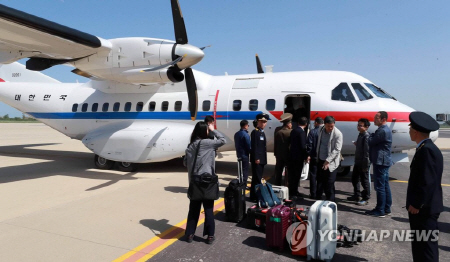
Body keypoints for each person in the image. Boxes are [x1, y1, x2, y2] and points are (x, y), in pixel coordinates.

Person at [407, 111, 443, 262]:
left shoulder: (426, 151)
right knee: (421, 246)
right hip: (424, 208)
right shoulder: (426, 147)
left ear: (415, 132)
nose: (409, 131)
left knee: (426, 247)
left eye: (410, 129)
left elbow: (426, 182)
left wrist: (416, 204)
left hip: (424, 209)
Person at [184, 122, 226, 244]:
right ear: (204, 131)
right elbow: (222, 140)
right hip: (207, 182)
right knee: (208, 209)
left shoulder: (190, 145)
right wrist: (213, 130)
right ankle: (210, 236)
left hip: (194, 182)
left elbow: (186, 163)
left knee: (193, 210)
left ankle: (190, 234)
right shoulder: (207, 143)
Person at [365, 111, 392, 217]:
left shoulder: (382, 131)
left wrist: (370, 136)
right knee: (385, 185)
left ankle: (380, 210)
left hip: (380, 161)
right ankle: (386, 208)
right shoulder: (384, 130)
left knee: (380, 186)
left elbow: (371, 141)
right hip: (383, 161)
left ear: (383, 119)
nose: (374, 120)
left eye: (377, 118)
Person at [315, 116, 343, 201]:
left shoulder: (338, 134)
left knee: (330, 182)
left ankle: (331, 201)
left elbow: (337, 149)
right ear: (324, 124)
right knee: (321, 181)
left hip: (331, 162)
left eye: (332, 126)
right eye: (328, 126)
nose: (330, 128)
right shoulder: (321, 129)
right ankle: (321, 199)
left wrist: (328, 161)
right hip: (321, 159)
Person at [347, 118, 371, 205]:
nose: (358, 127)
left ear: (366, 127)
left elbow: (367, 152)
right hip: (357, 162)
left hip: (363, 163)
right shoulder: (360, 135)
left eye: (361, 126)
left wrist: (365, 165)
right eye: (358, 125)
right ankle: (356, 195)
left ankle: (366, 198)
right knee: (354, 179)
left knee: (364, 181)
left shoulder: (366, 136)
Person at [250, 113, 269, 200]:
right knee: (257, 178)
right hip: (258, 159)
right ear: (257, 122)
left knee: (257, 178)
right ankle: (256, 196)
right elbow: (254, 146)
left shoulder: (262, 132)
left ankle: (254, 195)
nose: (263, 124)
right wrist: (256, 157)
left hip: (262, 159)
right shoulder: (255, 132)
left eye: (265, 122)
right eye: (261, 122)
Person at [288, 116, 308, 198]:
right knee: (296, 176)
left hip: (292, 156)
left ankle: (292, 191)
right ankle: (294, 193)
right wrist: (306, 156)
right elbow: (303, 146)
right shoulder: (302, 132)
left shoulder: (293, 131)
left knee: (292, 176)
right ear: (306, 124)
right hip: (298, 158)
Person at [306, 117, 324, 199]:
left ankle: (313, 193)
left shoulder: (312, 132)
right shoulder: (324, 132)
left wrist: (308, 154)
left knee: (313, 176)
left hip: (314, 157)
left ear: (316, 123)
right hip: (322, 157)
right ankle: (319, 194)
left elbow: (309, 145)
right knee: (321, 176)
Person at [273, 113, 293, 186]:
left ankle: (277, 184)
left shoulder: (277, 130)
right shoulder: (290, 132)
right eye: (290, 123)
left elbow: (276, 142)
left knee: (278, 170)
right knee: (288, 172)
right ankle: (286, 185)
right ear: (288, 124)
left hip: (279, 154)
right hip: (287, 155)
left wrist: (275, 153)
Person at [234, 120, 251, 186]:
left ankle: (240, 182)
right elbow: (248, 145)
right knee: (245, 170)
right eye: (248, 125)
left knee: (240, 170)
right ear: (245, 126)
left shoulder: (237, 134)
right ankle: (244, 184)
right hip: (245, 155)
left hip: (239, 154)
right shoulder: (245, 134)